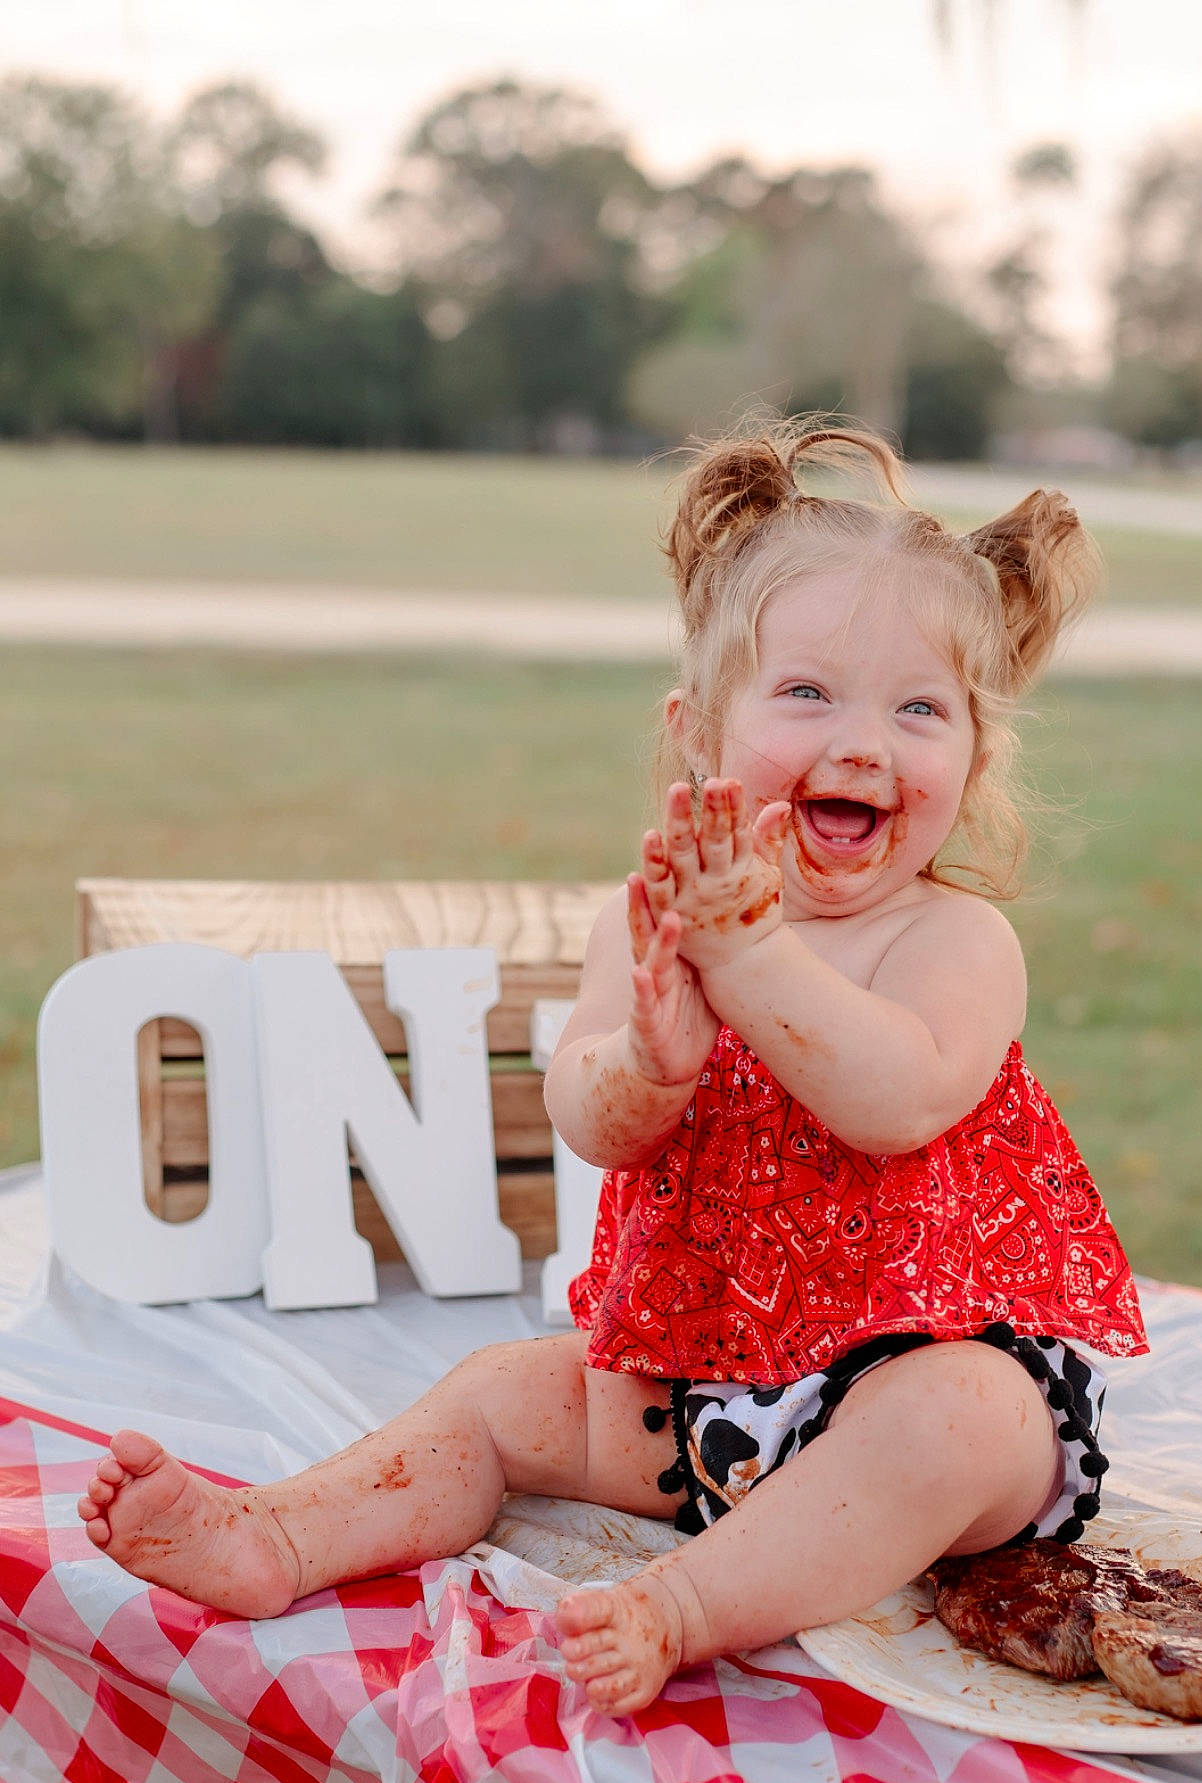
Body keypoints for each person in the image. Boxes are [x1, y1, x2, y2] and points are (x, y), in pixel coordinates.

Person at [78, 418, 1147, 1716]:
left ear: (970, 758)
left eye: (918, 709)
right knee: (504, 1394)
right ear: (699, 733)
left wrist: (748, 958)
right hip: (711, 1401)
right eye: (807, 693)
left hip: (943, 1386)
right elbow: (591, 1120)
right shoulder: (646, 930)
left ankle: (684, 1605)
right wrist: (650, 1058)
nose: (864, 739)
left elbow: (895, 1101)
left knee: (951, 1417)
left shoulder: (951, 938)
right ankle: (276, 1539)